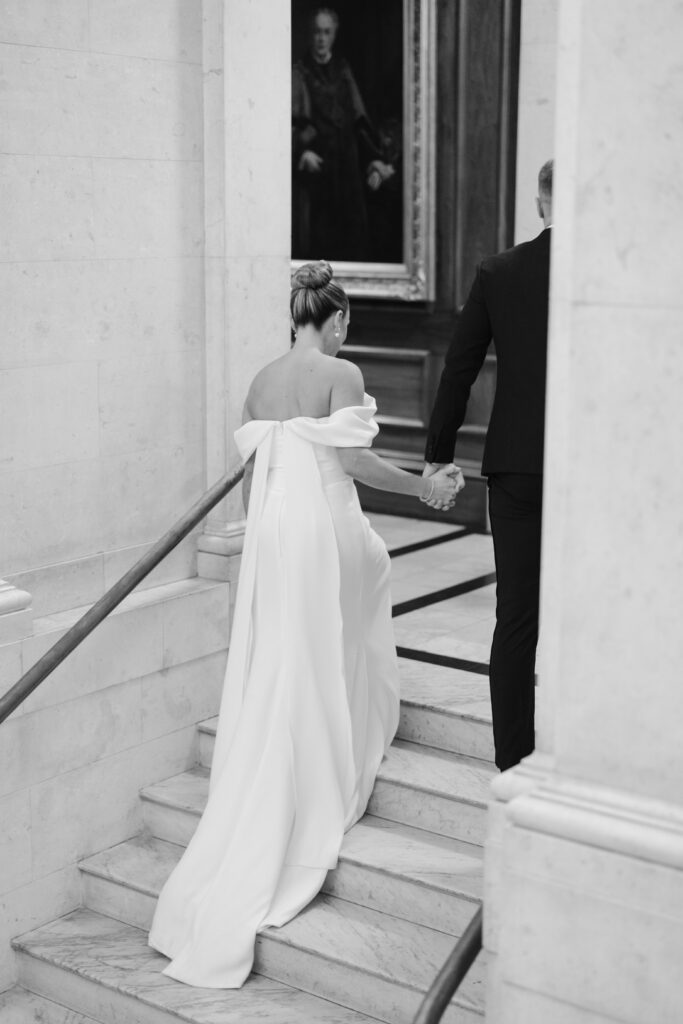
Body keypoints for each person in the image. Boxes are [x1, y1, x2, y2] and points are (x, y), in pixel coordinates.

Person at [148, 261, 461, 987]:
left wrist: (265, 538)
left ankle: (311, 724)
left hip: (273, 528)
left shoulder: (261, 379)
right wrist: (422, 487)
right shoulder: (340, 371)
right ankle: (336, 738)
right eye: (346, 322)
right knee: (360, 586)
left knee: (298, 639)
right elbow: (352, 462)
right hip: (323, 521)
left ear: (296, 315)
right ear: (337, 319)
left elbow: (258, 472)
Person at [423, 159, 553, 773]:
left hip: (517, 465)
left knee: (516, 616)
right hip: (592, 473)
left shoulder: (499, 272)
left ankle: (513, 767)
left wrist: (438, 457)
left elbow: (459, 369)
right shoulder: (613, 271)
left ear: (538, 201)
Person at [292, 8, 392, 261]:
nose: (321, 38)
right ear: (310, 34)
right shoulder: (299, 72)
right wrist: (302, 153)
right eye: (317, 32)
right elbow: (292, 122)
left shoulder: (343, 70)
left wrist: (373, 158)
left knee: (353, 239)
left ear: (334, 35)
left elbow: (359, 120)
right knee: (320, 245)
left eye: (326, 32)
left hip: (348, 170)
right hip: (318, 171)